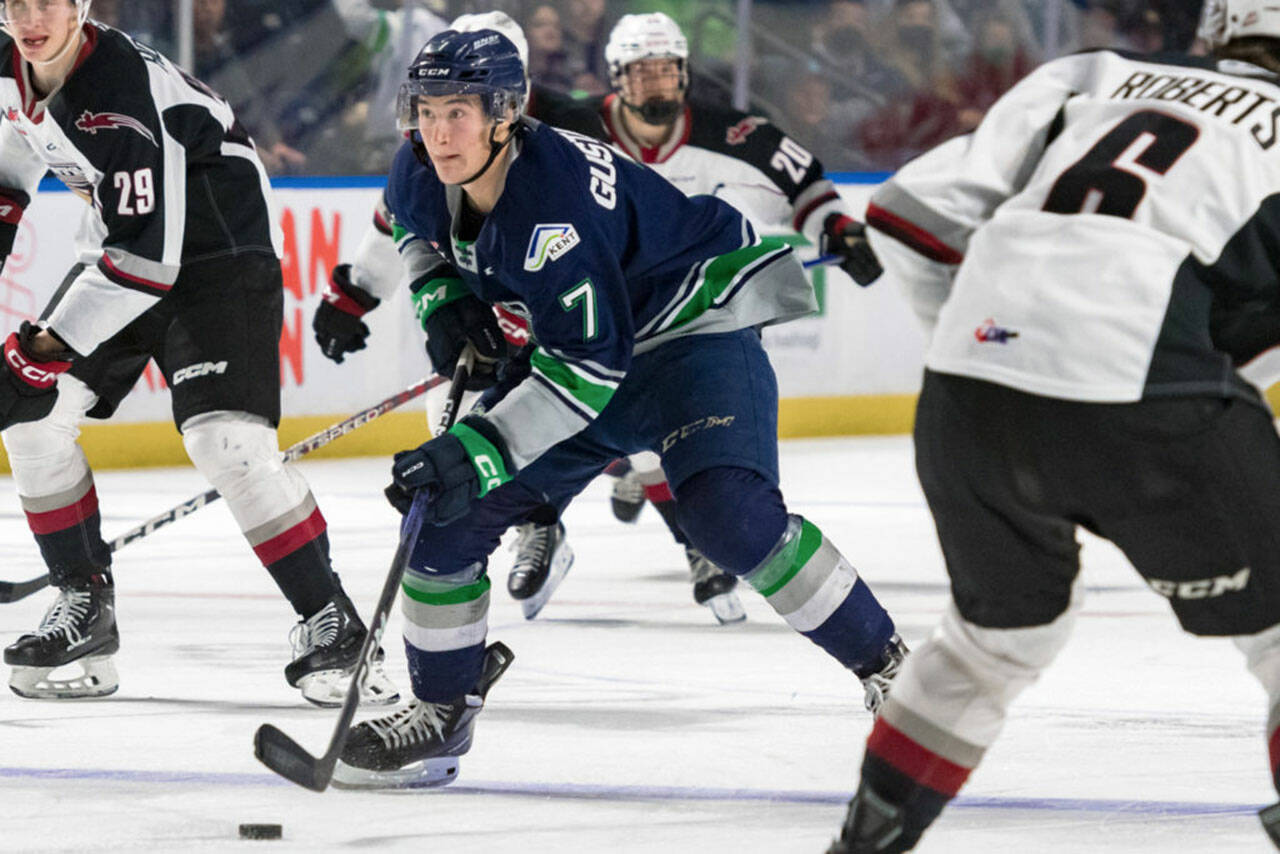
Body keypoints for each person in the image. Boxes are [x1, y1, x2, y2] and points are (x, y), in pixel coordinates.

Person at [327, 27, 908, 789]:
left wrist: (476, 448)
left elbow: (587, 372)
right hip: (587, 349)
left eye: (458, 112)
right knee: (446, 520)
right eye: (427, 111)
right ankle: (440, 714)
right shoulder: (418, 166)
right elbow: (415, 233)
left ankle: (894, 672)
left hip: (692, 339)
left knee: (728, 518)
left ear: (505, 114)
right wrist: (443, 301)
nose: (438, 133)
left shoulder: (553, 204)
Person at [828, 1, 1280, 850]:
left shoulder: (1094, 73)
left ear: (1215, 31)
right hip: (1149, 399)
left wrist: (985, 352)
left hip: (969, 394)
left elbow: (904, 215)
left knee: (992, 642)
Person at [0, 0, 395, 706]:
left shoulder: (114, 89)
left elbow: (148, 264)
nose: (30, 17)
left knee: (227, 443)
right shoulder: (13, 65)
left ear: (81, 3)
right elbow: (14, 158)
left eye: (47, 0)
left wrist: (39, 350)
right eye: (14, 2)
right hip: (125, 249)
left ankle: (333, 622)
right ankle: (84, 603)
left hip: (221, 256)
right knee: (35, 418)